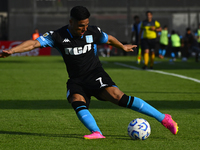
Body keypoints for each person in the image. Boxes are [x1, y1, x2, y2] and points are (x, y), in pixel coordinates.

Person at [0, 6, 178, 139]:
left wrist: (122, 46)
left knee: (119, 98)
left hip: (95, 74)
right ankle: (97, 132)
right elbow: (33, 44)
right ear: (71, 22)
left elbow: (108, 39)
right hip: (77, 79)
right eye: (80, 26)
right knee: (76, 100)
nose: (84, 29)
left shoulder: (92, 31)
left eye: (86, 25)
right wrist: (13, 51)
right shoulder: (57, 36)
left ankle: (164, 119)